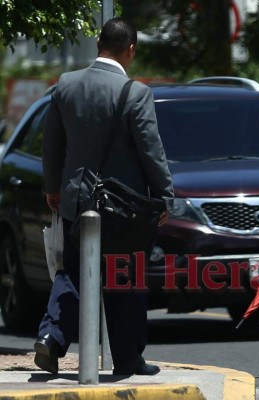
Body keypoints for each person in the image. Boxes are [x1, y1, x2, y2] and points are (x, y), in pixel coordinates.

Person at [35, 17, 174, 376]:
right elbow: (151, 151)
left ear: (99, 45)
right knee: (124, 278)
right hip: (122, 206)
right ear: (131, 50)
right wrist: (164, 196)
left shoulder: (66, 85)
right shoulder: (136, 93)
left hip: (76, 200)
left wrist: (53, 187)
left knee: (73, 273)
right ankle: (127, 360)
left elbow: (51, 143)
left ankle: (51, 339)